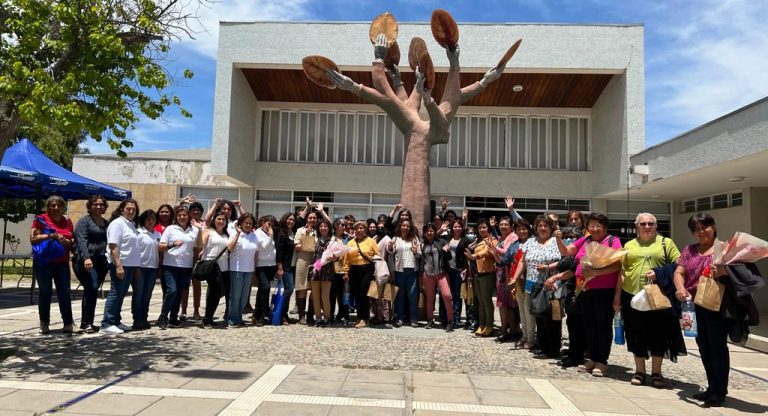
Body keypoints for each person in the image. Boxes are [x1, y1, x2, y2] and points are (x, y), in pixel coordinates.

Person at [616, 213, 684, 388]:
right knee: (635, 333)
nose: (647, 227)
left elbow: (679, 265)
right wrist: (617, 298)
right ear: (637, 226)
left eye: (651, 224)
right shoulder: (629, 245)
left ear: (656, 226)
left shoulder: (665, 243)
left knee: (658, 333)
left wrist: (659, 273)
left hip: (657, 296)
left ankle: (656, 372)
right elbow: (622, 272)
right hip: (632, 295)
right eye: (643, 224)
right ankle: (639, 371)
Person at [555, 212, 623, 377]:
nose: (594, 229)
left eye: (598, 225)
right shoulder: (585, 240)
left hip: (604, 290)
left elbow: (618, 266)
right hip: (585, 288)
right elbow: (566, 251)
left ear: (605, 227)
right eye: (591, 225)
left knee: (602, 326)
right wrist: (558, 238)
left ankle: (602, 361)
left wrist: (596, 271)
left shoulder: (612, 241)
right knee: (589, 326)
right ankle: (592, 357)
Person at [673, 213, 728, 406]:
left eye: (704, 227)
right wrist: (680, 288)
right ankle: (712, 387)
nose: (701, 232)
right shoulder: (690, 249)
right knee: (703, 346)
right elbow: (679, 272)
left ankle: (719, 391)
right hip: (693, 305)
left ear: (713, 227)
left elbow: (736, 274)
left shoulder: (724, 249)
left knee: (717, 347)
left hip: (715, 305)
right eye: (696, 230)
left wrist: (722, 271)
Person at [513, 215, 567, 358]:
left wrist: (548, 267)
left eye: (546, 226)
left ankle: (553, 349)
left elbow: (565, 260)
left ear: (551, 228)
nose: (543, 229)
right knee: (538, 315)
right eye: (540, 226)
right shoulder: (530, 242)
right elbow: (522, 262)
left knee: (552, 318)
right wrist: (514, 278)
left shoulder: (557, 241)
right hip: (533, 285)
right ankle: (542, 347)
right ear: (536, 228)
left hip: (552, 284)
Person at [30, 195, 75, 334]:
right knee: (45, 293)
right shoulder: (41, 220)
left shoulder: (67, 221)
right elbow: (33, 238)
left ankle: (68, 323)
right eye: (52, 205)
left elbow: (72, 238)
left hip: (62, 262)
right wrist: (51, 235)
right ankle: (44, 323)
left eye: (58, 205)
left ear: (63, 207)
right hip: (44, 262)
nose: (55, 208)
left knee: (64, 293)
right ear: (47, 207)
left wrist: (69, 242)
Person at [100, 198, 141, 334]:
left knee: (122, 293)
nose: (131, 211)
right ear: (121, 209)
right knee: (116, 292)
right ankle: (106, 323)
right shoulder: (118, 224)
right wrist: (118, 265)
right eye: (128, 209)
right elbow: (113, 245)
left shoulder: (131, 224)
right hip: (120, 264)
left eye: (133, 210)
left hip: (130, 265)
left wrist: (135, 267)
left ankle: (116, 321)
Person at [157, 205, 200, 329]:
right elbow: (160, 246)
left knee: (179, 292)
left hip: (186, 266)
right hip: (170, 265)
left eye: (185, 215)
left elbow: (198, 246)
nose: (182, 217)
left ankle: (173, 318)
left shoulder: (194, 230)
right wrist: (172, 244)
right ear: (176, 216)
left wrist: (200, 229)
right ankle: (163, 316)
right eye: (180, 215)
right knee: (172, 291)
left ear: (189, 216)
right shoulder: (170, 229)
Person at [72, 195, 109, 333]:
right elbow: (81, 240)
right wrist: (86, 258)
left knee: (92, 290)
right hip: (85, 260)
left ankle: (88, 322)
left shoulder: (106, 223)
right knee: (92, 287)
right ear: (90, 206)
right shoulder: (84, 222)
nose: (98, 206)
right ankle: (86, 322)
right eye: (95, 204)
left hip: (101, 261)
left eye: (101, 204)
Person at [342, 221, 381, 328]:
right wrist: (345, 272)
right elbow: (346, 259)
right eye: (356, 229)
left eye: (361, 228)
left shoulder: (371, 241)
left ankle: (365, 318)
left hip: (367, 269)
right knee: (357, 294)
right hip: (354, 270)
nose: (359, 231)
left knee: (363, 293)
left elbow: (378, 255)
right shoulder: (350, 243)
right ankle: (359, 317)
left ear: (365, 229)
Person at [465, 219, 498, 337]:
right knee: (480, 302)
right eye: (480, 228)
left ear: (488, 228)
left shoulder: (492, 240)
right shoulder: (478, 240)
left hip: (487, 274)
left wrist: (474, 256)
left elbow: (488, 251)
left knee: (487, 301)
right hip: (476, 274)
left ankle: (489, 326)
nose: (482, 230)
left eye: (484, 227)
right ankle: (482, 325)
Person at [387, 219, 422, 328]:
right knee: (400, 296)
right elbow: (391, 254)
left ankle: (413, 318)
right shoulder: (395, 239)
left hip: (412, 270)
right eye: (404, 226)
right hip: (399, 271)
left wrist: (416, 252)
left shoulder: (414, 238)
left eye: (408, 226)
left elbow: (419, 255)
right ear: (400, 226)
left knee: (412, 295)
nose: (405, 228)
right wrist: (390, 247)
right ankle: (399, 318)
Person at [199, 210, 230, 328]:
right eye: (218, 219)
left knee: (218, 292)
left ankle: (209, 317)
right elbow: (202, 243)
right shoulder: (208, 232)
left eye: (223, 220)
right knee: (213, 292)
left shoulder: (226, 234)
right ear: (214, 221)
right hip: (212, 265)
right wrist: (202, 250)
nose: (221, 221)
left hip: (224, 266)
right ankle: (207, 318)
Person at [227, 213, 259, 327]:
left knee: (245, 296)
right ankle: (232, 318)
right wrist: (237, 234)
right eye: (246, 223)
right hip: (236, 269)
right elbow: (229, 248)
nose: (248, 225)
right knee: (235, 295)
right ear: (241, 223)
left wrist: (254, 269)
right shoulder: (235, 234)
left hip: (249, 269)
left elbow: (256, 253)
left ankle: (239, 317)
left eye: (250, 223)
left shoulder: (254, 236)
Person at [492, 216, 520, 343]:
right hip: (499, 273)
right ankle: (505, 329)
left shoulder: (513, 237)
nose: (503, 226)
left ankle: (513, 330)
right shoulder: (500, 238)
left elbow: (507, 252)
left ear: (511, 226)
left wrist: (494, 249)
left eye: (505, 224)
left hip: (509, 273)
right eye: (501, 224)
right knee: (502, 303)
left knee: (511, 303)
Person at [421, 223, 454, 331]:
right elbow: (421, 260)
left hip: (441, 273)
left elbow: (449, 257)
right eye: (427, 231)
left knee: (447, 296)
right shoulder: (422, 245)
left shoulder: (441, 242)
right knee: (430, 298)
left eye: (431, 231)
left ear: (435, 232)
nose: (429, 233)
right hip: (428, 274)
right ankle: (430, 320)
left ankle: (450, 321)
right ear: (425, 233)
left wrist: (446, 251)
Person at [132, 209, 160, 330]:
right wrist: (136, 267)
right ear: (143, 220)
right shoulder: (139, 233)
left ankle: (144, 317)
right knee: (138, 294)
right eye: (148, 219)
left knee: (147, 295)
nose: (151, 221)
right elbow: (135, 251)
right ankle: (137, 319)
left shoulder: (157, 234)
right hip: (141, 268)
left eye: (153, 219)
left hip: (153, 268)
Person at [181, 201, 206, 321]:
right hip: (186, 254)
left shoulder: (204, 224)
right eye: (193, 210)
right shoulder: (186, 222)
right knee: (184, 285)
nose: (196, 212)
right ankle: (183, 310)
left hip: (199, 254)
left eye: (198, 210)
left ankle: (196, 310)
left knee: (197, 285)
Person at [511, 218, 533, 349]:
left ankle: (531, 338)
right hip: (518, 280)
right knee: (521, 309)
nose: (522, 231)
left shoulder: (533, 242)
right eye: (519, 229)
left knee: (528, 309)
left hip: (529, 280)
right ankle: (524, 336)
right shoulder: (515, 244)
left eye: (524, 229)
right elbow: (507, 260)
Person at [294, 211, 318, 324]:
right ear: (307, 219)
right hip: (303, 260)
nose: (312, 220)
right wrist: (308, 239)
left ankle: (310, 315)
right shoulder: (300, 230)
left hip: (316, 261)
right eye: (310, 218)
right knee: (302, 288)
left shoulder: (319, 230)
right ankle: (301, 315)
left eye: (314, 218)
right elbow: (297, 247)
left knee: (314, 289)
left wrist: (307, 245)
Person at [252, 215, 277, 326]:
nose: (270, 226)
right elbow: (263, 247)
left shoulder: (269, 234)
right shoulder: (258, 233)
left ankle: (258, 314)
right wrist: (270, 236)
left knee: (263, 290)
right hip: (261, 265)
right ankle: (260, 316)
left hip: (271, 265)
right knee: (265, 288)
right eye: (268, 223)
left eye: (272, 224)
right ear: (262, 223)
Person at [310, 219, 334, 326]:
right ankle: (318, 318)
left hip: (327, 271)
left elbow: (337, 257)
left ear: (329, 228)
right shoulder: (314, 239)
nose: (323, 228)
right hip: (315, 271)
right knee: (315, 296)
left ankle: (327, 318)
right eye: (321, 226)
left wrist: (334, 258)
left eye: (325, 226)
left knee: (325, 296)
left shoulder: (332, 241)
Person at [274, 213, 297, 324]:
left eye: (293, 220)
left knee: (289, 289)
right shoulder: (281, 233)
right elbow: (279, 252)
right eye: (289, 219)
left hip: (292, 266)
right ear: (284, 220)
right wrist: (280, 268)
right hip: (285, 267)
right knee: (289, 289)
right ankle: (281, 314)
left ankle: (284, 314)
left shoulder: (292, 233)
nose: (291, 221)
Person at [445, 220, 467, 327]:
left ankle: (456, 318)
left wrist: (465, 268)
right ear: (452, 228)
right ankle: (447, 317)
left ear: (462, 228)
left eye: (459, 227)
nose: (457, 228)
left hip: (458, 270)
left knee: (457, 295)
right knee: (448, 294)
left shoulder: (464, 240)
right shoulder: (448, 239)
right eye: (455, 226)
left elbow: (467, 256)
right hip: (448, 270)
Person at [329, 218, 350, 326]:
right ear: (336, 226)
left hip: (343, 271)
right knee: (331, 295)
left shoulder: (347, 239)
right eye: (342, 225)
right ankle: (330, 316)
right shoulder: (331, 238)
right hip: (331, 271)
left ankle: (343, 316)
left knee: (344, 296)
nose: (344, 227)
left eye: (345, 225)